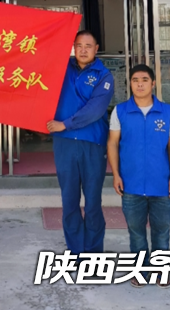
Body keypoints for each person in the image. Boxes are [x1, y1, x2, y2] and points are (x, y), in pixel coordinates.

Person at [107, 64, 170, 288]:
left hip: (161, 183)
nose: (140, 84)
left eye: (145, 80)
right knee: (136, 232)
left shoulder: (166, 111)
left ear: (153, 83)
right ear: (130, 84)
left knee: (161, 231)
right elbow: (112, 143)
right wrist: (116, 174)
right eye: (135, 80)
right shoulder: (120, 111)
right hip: (131, 184)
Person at [46, 30, 114, 255]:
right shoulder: (60, 68)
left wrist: (65, 124)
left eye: (88, 46)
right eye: (79, 46)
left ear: (96, 49)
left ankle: (93, 252)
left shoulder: (104, 76)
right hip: (64, 144)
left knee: (93, 202)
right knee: (69, 201)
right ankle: (75, 251)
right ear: (73, 47)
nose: (83, 50)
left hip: (91, 143)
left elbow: (95, 110)